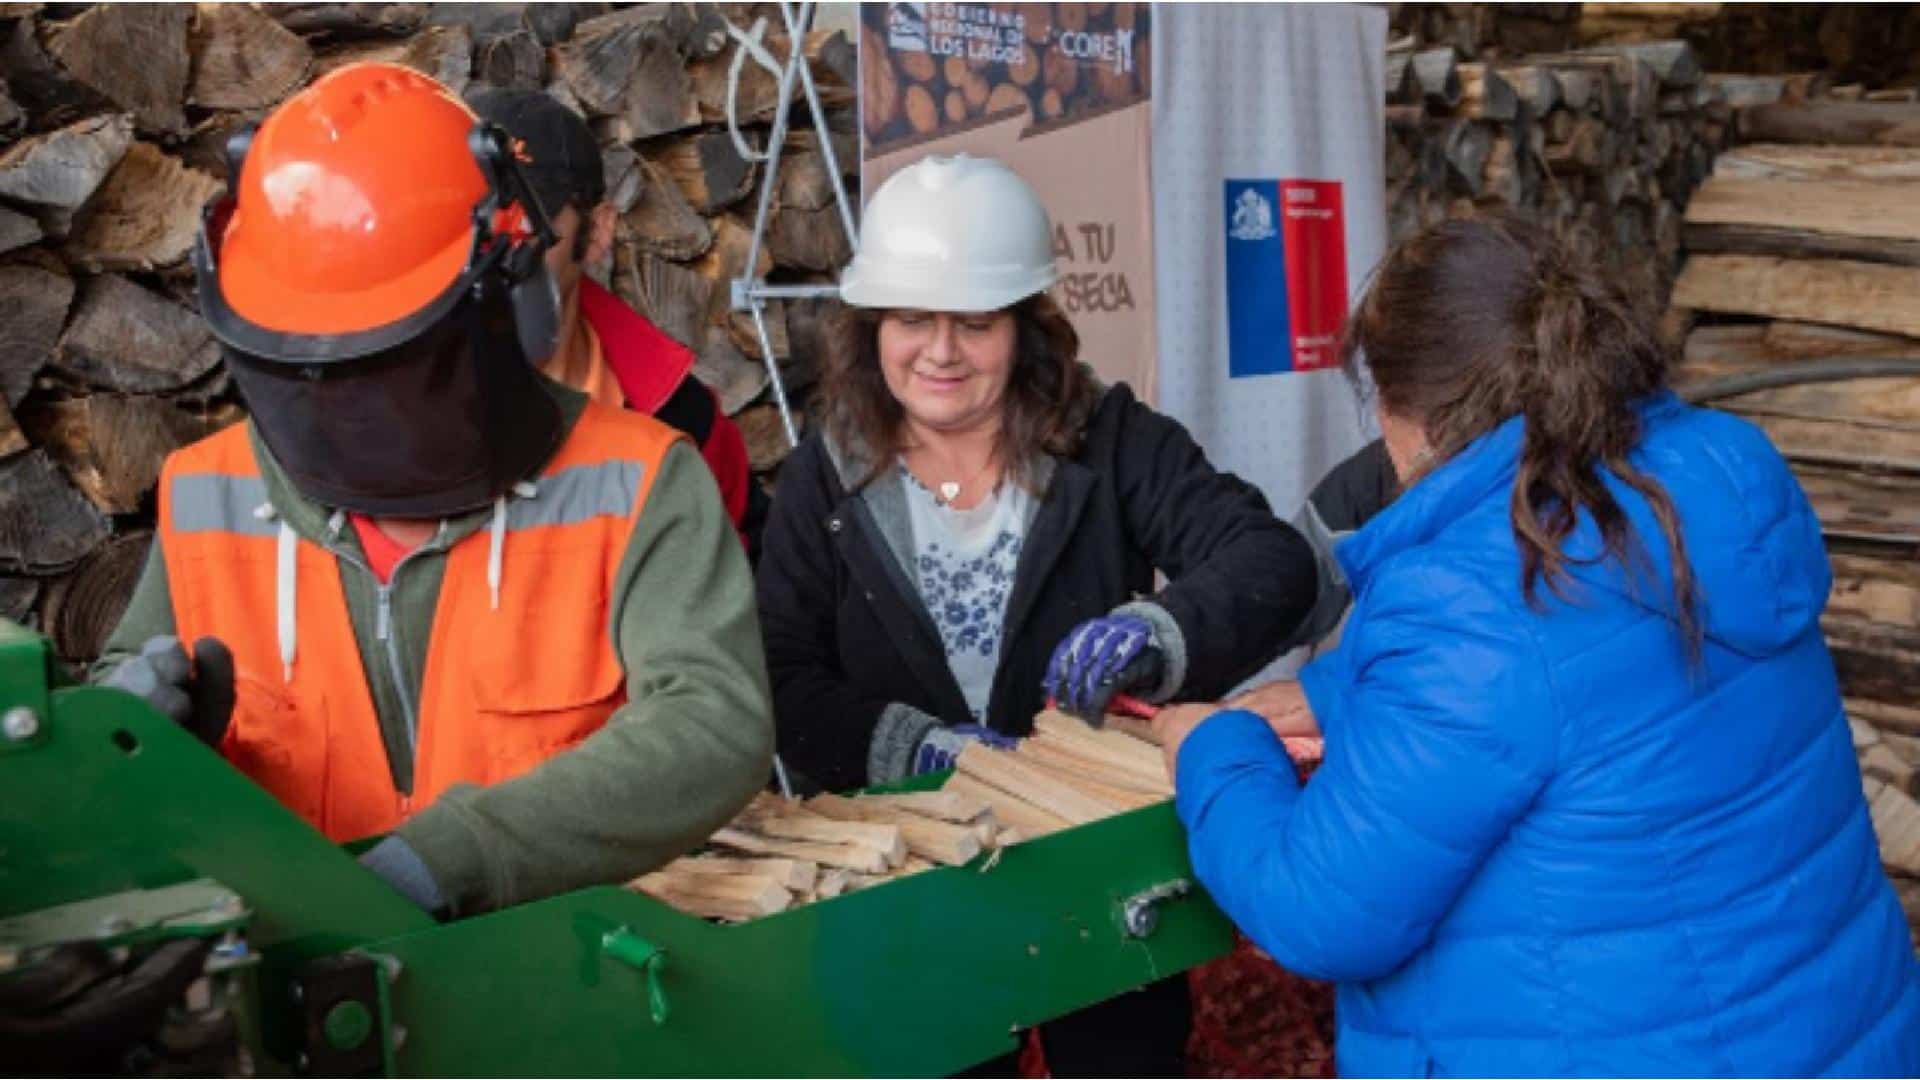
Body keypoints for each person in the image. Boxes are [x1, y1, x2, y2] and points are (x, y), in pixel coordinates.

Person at [1157, 213, 1920, 1076]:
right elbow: (1595, 686)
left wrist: (1214, 750)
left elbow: (1317, 910)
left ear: (1410, 414)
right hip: (1835, 1036)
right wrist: (1343, 695)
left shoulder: (1466, 599)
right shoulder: (1714, 467)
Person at [94, 63, 774, 919]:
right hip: (282, 957)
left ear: (509, 297)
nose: (345, 407)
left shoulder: (637, 482)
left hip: (559, 977)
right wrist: (127, 730)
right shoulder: (205, 492)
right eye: (317, 367)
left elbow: (713, 722)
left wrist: (454, 858)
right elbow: (127, 681)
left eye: (383, 365)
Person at [755, 153, 1322, 1075]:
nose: (939, 351)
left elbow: (1271, 562)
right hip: (916, 870)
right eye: (911, 319)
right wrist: (921, 747)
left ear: (1025, 327)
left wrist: (1158, 633)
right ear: (870, 327)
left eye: (975, 322)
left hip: (1095, 854)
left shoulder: (1108, 437)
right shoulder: (828, 475)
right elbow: (782, 672)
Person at [468, 87, 768, 561]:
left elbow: (750, 585)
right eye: (474, 218)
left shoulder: (683, 418)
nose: (494, 244)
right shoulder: (390, 403)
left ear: (598, 231)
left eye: (527, 221)